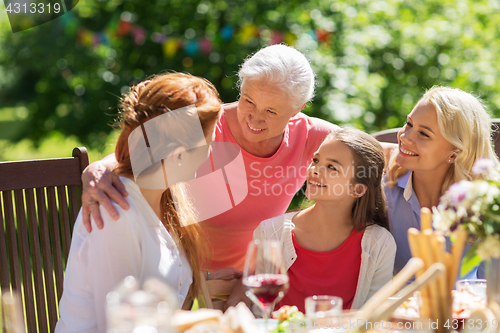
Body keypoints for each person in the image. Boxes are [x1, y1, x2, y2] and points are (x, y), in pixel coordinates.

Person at [79, 44, 341, 275]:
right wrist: (97, 168)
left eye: (271, 111)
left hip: (247, 280)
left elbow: (373, 154)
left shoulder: (309, 136)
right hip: (174, 268)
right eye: (248, 101)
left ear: (298, 109)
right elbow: (139, 152)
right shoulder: (207, 124)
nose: (254, 118)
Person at [55, 73, 224, 332]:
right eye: (209, 143)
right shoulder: (116, 213)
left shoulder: (167, 198)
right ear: (178, 152)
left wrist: (207, 281)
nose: (211, 152)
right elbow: (119, 326)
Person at [253, 128, 396, 312]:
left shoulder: (380, 244)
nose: (314, 170)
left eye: (331, 167)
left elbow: (375, 318)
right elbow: (259, 314)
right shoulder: (270, 233)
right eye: (316, 160)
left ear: (358, 190)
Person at [385, 86, 500, 277]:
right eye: (409, 124)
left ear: (455, 153)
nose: (405, 137)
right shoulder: (384, 192)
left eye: (424, 134)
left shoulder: (485, 208)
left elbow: (491, 290)